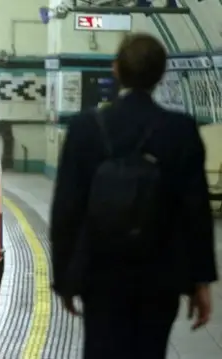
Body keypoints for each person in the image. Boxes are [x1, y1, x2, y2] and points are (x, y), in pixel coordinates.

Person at [50, 33, 217, 359]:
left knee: (100, 350)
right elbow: (196, 210)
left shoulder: (86, 128)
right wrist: (201, 281)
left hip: (101, 273)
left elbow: (67, 209)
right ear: (161, 74)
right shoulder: (180, 130)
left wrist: (65, 278)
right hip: (160, 274)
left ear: (116, 70)